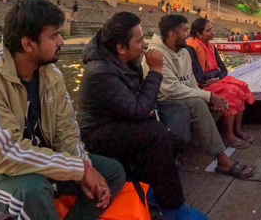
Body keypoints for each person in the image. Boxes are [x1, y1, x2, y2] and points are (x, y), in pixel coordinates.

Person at [0, 0, 126, 220]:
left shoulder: (51, 74)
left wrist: (83, 166)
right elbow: (6, 152)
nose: (61, 42)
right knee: (33, 189)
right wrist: (79, 170)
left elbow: (67, 131)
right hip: (2, 171)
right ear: (28, 44)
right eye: (54, 36)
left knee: (111, 172)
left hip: (40, 162)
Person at [77, 12, 206, 220]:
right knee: (154, 132)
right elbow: (137, 109)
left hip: (120, 122)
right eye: (138, 40)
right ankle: (173, 206)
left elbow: (138, 104)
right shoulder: (100, 73)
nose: (144, 44)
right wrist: (155, 71)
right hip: (96, 134)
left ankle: (149, 190)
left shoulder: (125, 60)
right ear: (121, 47)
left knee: (173, 135)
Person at [144, 15, 253, 178]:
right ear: (172, 34)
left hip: (183, 96)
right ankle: (222, 159)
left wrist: (209, 96)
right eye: (184, 30)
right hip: (163, 101)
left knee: (218, 102)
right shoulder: (157, 54)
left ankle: (195, 145)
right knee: (199, 103)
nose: (188, 34)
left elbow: (190, 83)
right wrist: (206, 95)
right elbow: (171, 90)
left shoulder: (184, 52)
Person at [186, 18, 255, 148]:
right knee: (231, 92)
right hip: (200, 86)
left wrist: (217, 76)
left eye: (212, 29)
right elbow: (199, 76)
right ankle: (228, 135)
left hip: (214, 81)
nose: (213, 32)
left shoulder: (211, 46)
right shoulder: (191, 48)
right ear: (199, 34)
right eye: (208, 30)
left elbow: (223, 70)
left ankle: (238, 129)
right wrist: (216, 74)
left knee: (242, 87)